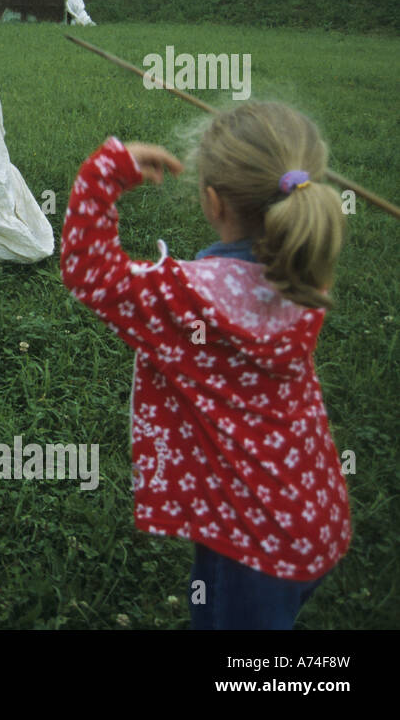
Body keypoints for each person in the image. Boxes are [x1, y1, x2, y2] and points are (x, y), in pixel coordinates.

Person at [60, 102, 350, 630]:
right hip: (316, 513)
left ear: (214, 202)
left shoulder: (186, 299)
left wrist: (104, 171)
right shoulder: (309, 272)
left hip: (249, 543)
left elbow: (91, 272)